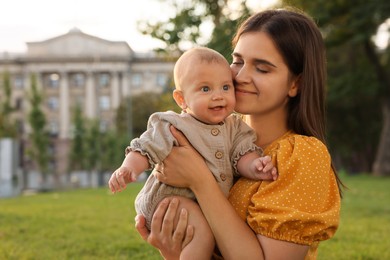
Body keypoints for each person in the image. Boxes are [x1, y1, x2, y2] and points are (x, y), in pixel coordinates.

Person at [135, 7, 343, 260]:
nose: (241, 76)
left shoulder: (301, 156)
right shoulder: (214, 136)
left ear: (295, 84)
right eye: (237, 61)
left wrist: (200, 182)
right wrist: (172, 249)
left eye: (262, 69)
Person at [108, 47, 278, 259]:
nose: (218, 96)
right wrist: (128, 168)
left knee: (207, 238)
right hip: (167, 199)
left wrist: (255, 167)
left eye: (226, 87)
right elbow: (146, 147)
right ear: (182, 99)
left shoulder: (235, 127)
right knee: (202, 237)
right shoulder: (173, 124)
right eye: (205, 89)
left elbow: (242, 154)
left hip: (199, 203)